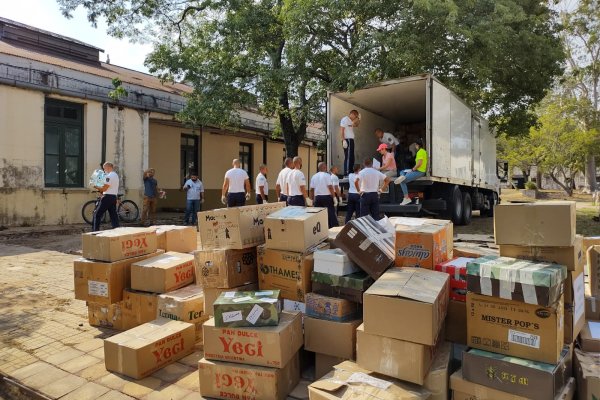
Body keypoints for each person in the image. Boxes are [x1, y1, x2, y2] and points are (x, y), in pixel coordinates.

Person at [395, 139, 428, 205]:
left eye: (415, 145)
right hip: (417, 170)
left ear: (417, 145)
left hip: (419, 171)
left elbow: (419, 163)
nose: (415, 146)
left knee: (402, 181)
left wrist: (413, 169)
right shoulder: (423, 151)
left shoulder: (420, 152)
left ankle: (406, 198)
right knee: (402, 171)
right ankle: (403, 176)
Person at [92, 162, 120, 231]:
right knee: (113, 215)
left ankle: (95, 231)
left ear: (108, 167)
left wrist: (95, 186)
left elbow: (104, 188)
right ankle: (117, 230)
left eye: (104, 168)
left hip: (107, 197)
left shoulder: (110, 176)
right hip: (113, 197)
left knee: (97, 214)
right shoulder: (115, 175)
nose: (104, 170)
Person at [310, 162, 338, 228]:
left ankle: (319, 228)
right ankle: (333, 227)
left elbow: (312, 189)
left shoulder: (314, 176)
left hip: (317, 197)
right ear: (325, 167)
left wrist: (311, 199)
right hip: (326, 197)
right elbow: (330, 187)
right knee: (330, 214)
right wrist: (334, 197)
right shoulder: (327, 175)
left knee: (318, 215)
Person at [340, 110, 361, 176]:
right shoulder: (345, 119)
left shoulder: (350, 121)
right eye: (356, 116)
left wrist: (359, 119)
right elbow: (342, 130)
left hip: (351, 140)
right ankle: (347, 172)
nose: (355, 118)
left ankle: (351, 171)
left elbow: (356, 125)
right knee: (348, 157)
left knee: (352, 157)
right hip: (347, 140)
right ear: (352, 114)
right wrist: (343, 140)